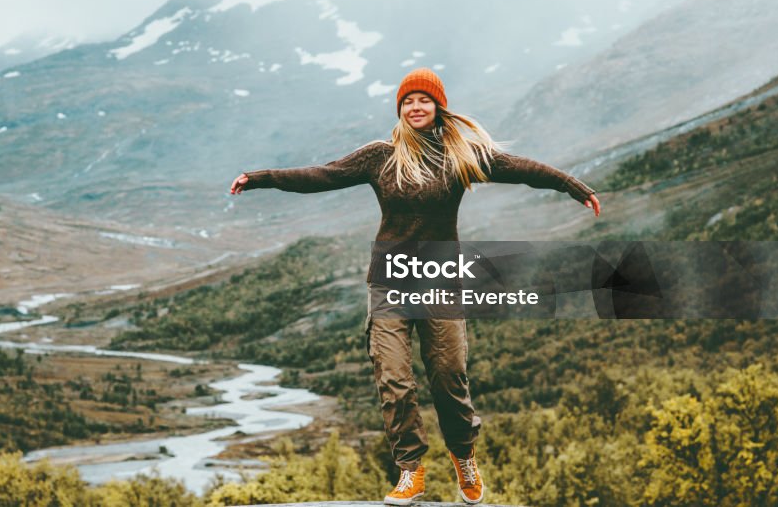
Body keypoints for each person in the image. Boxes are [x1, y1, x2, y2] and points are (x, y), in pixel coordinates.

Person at [230, 67, 600, 505]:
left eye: (424, 100)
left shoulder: (461, 155)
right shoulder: (379, 156)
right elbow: (322, 176)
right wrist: (261, 177)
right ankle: (411, 471)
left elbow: (520, 169)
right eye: (408, 101)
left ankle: (463, 457)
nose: (416, 107)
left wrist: (573, 186)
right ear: (400, 109)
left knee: (448, 376)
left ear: (438, 107)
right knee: (394, 379)